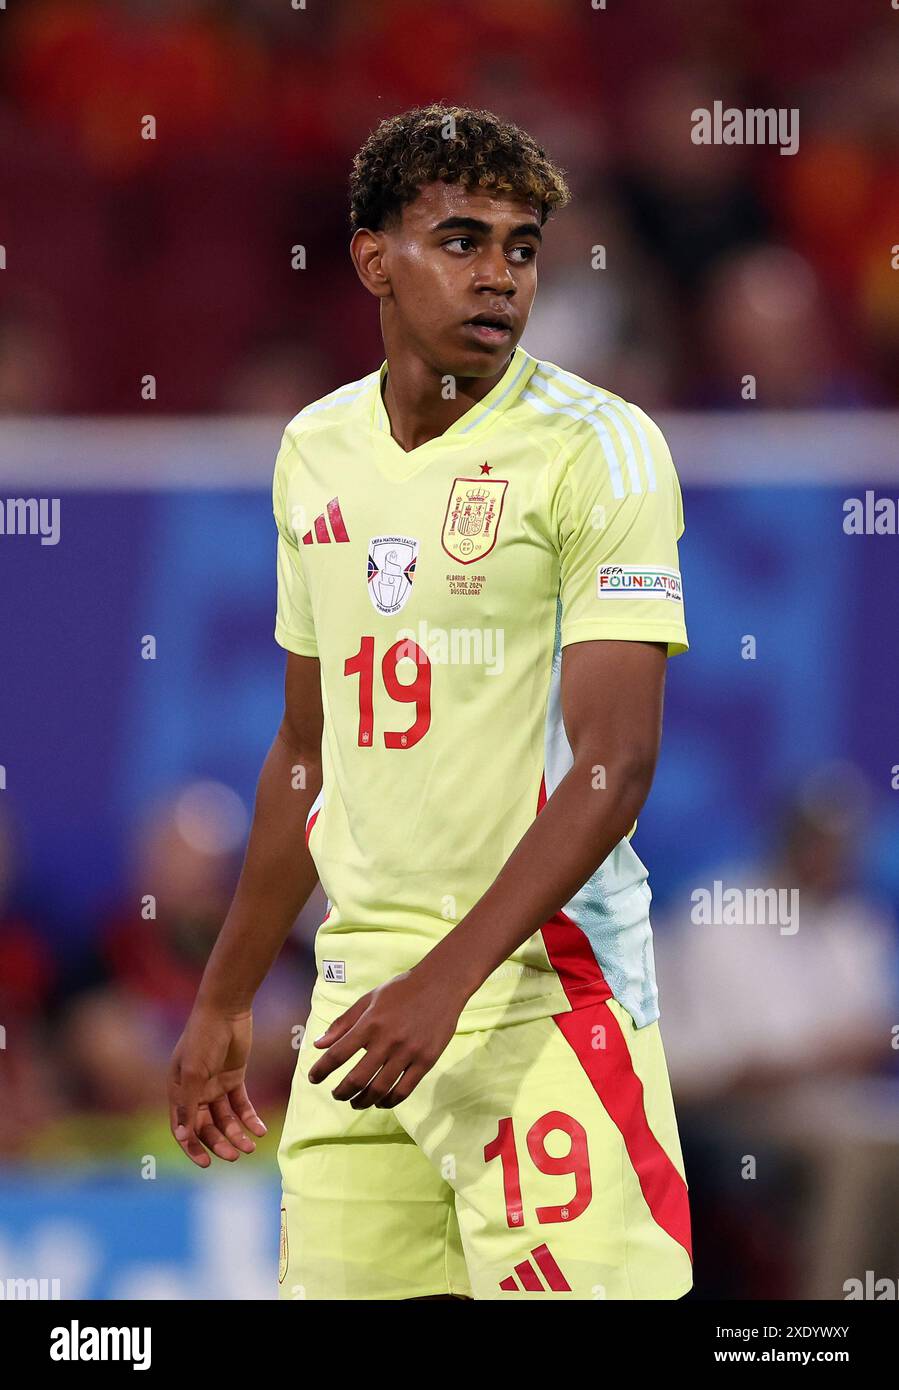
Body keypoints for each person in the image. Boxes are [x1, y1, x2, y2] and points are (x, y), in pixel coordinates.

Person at [168, 104, 693, 1301]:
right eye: (461, 240)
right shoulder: (314, 450)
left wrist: (445, 983)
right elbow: (306, 752)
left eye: (520, 247)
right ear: (372, 261)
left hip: (540, 1000)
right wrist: (226, 996)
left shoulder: (599, 452)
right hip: (361, 1010)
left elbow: (615, 764)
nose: (499, 275)